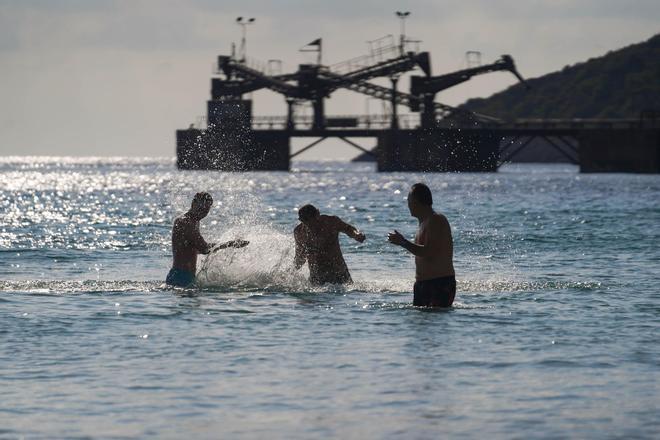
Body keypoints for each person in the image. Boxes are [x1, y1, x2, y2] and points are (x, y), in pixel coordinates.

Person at [388, 183, 456, 307]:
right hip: (422, 283)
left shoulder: (436, 220)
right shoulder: (423, 223)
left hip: (440, 282)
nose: (408, 204)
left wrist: (403, 242)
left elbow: (428, 252)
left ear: (417, 201)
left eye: (409, 200)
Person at [166, 192, 248, 287]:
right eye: (201, 208)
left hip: (186, 276)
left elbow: (191, 249)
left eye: (206, 210)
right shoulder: (185, 222)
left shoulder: (194, 221)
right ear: (193, 204)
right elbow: (204, 249)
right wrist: (229, 244)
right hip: (180, 276)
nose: (202, 213)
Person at [294, 204, 366, 285]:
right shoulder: (299, 232)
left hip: (339, 272)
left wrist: (356, 235)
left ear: (318, 214)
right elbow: (300, 257)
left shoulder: (331, 222)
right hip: (317, 277)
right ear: (301, 220)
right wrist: (290, 273)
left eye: (313, 223)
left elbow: (348, 229)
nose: (311, 227)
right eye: (306, 223)